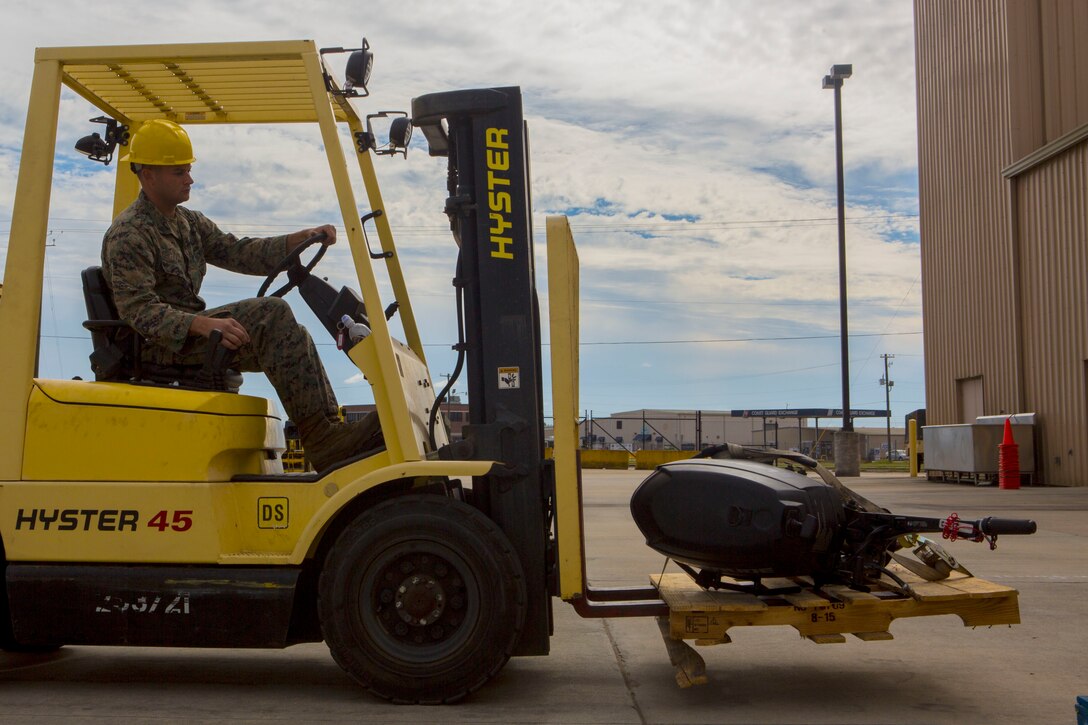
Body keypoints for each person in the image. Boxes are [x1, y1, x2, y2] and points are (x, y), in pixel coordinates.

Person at [101, 119, 380, 472]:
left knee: (291, 334)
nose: (189, 179)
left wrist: (298, 239)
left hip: (192, 337)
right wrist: (200, 324)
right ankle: (324, 442)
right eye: (179, 172)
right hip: (161, 344)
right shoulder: (129, 235)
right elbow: (138, 310)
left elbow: (238, 252)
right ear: (147, 174)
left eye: (188, 170)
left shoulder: (188, 222)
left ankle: (329, 430)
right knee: (272, 315)